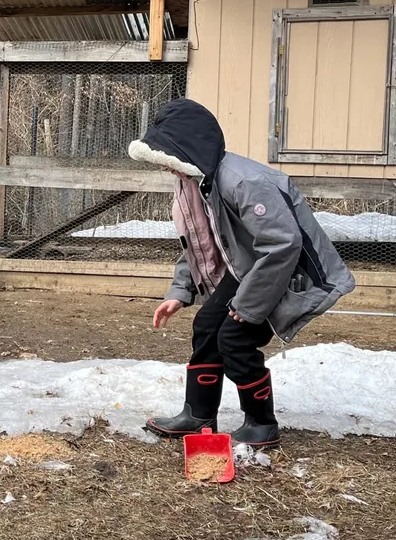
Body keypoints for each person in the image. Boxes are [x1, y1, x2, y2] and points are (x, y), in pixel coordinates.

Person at [128, 98, 355, 447]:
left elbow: (283, 245)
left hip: (288, 272)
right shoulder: (195, 181)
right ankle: (198, 414)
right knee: (207, 326)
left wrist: (248, 308)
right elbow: (200, 242)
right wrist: (179, 292)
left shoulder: (243, 182)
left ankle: (262, 423)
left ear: (187, 149)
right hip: (248, 267)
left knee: (234, 337)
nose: (164, 167)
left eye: (166, 157)